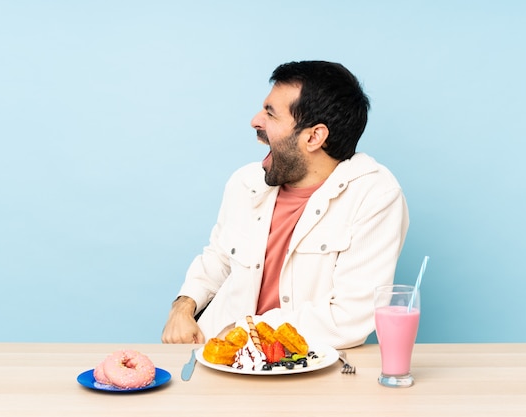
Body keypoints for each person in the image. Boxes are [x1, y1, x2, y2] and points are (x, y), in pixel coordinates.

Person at [162, 60, 409, 348]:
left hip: (306, 367)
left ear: (314, 136)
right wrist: (183, 306)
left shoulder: (375, 195)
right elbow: (217, 258)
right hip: (217, 353)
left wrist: (247, 330)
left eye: (271, 114)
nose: (256, 120)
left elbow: (351, 318)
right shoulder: (244, 182)